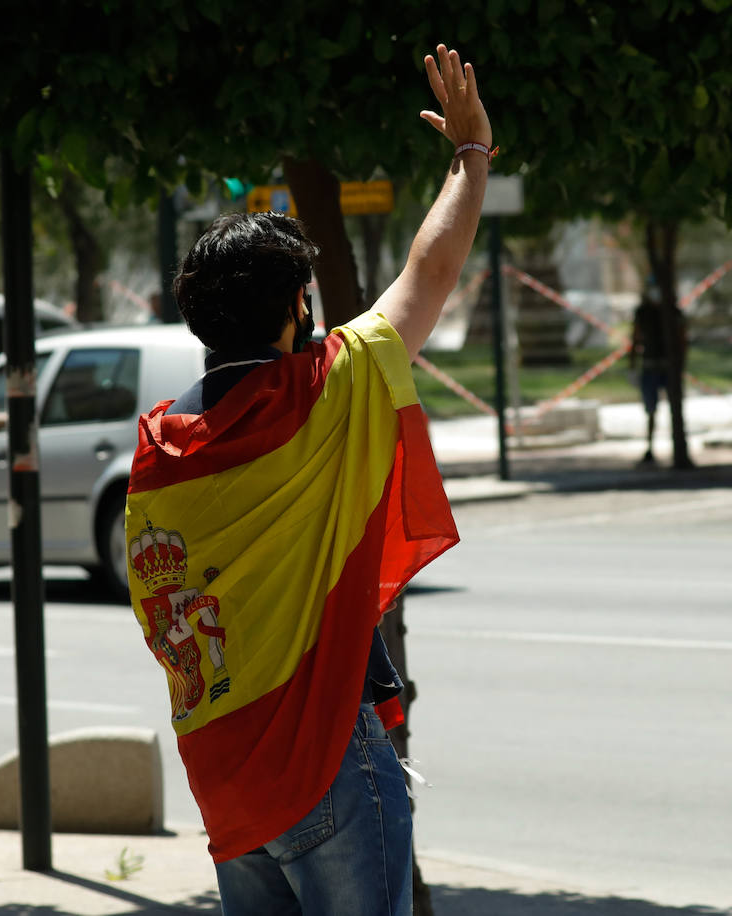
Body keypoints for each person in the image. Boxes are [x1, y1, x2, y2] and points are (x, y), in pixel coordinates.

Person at [124, 44, 488, 915]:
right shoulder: (325, 389)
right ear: (299, 308)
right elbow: (430, 275)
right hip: (327, 761)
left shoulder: (159, 450)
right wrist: (471, 154)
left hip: (226, 786)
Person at [629, 279, 686, 467]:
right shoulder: (643, 313)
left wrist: (680, 364)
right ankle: (650, 448)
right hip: (650, 366)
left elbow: (683, 339)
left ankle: (678, 448)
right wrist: (632, 366)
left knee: (675, 409)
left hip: (669, 368)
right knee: (651, 410)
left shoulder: (673, 312)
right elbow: (635, 338)